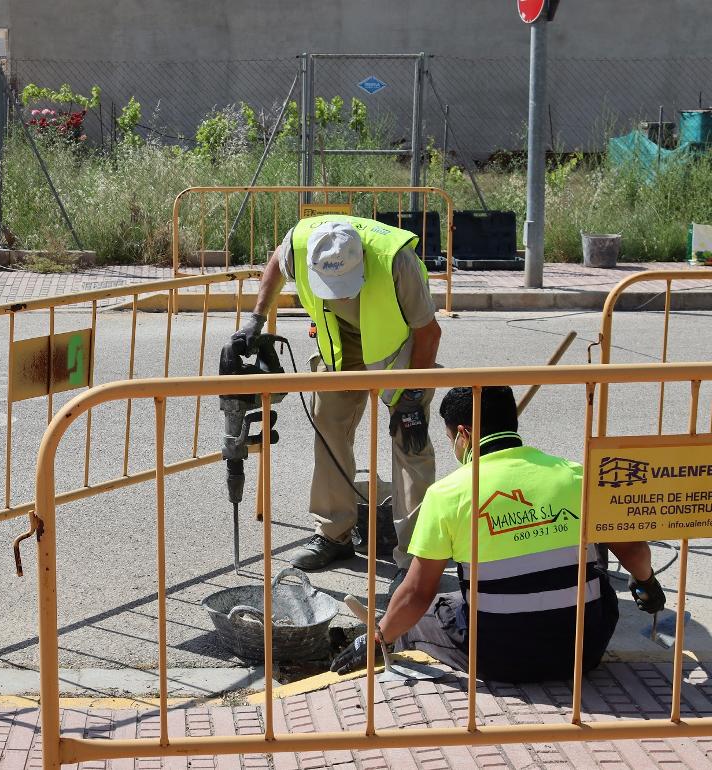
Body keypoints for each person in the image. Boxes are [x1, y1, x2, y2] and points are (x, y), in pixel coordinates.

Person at [330, 386, 666, 682]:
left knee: (427, 613)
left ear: (464, 434)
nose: (454, 447)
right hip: (584, 651)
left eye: (451, 440)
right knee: (596, 580)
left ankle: (386, 645)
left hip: (501, 660)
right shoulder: (576, 475)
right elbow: (634, 551)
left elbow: (416, 594)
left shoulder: (449, 494)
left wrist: (377, 637)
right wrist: (647, 585)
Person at [235, 215, 441, 573]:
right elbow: (276, 262)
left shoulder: (396, 261)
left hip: (400, 345)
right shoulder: (301, 245)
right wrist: (255, 317)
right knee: (329, 427)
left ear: (361, 260)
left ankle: (415, 559)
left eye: (347, 284)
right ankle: (333, 534)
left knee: (411, 442)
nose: (341, 293)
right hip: (340, 347)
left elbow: (429, 333)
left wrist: (414, 389)